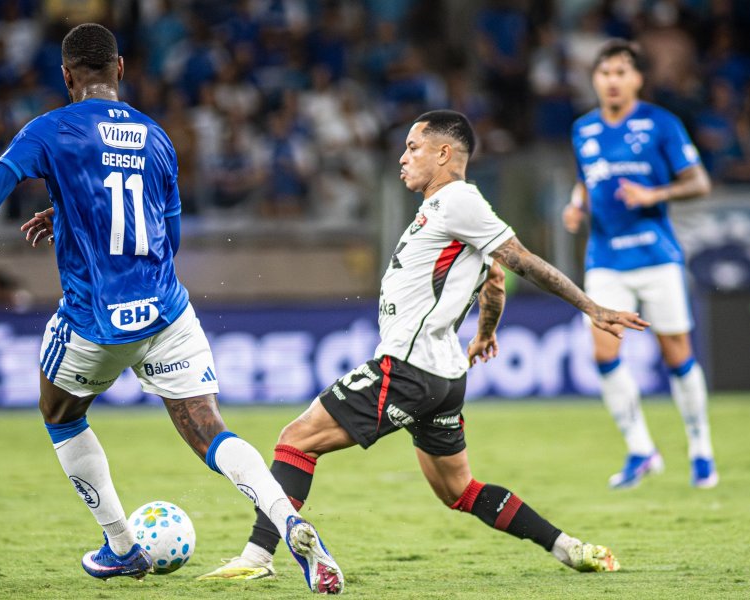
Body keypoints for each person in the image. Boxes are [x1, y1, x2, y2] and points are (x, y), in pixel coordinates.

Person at [0, 23, 343, 594]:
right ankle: (290, 520)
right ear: (121, 69)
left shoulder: (50, 130)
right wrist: (75, 212)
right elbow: (165, 238)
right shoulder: (157, 138)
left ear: (66, 75)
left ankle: (123, 547)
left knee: (61, 414)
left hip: (97, 319)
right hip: (167, 313)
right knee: (209, 428)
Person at [189, 110, 648, 582]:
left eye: (414, 147)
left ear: (445, 154)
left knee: (295, 442)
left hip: (407, 367)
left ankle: (257, 557)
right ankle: (566, 546)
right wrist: (486, 333)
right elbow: (494, 278)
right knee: (459, 491)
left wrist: (590, 308)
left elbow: (520, 261)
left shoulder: (459, 202)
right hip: (443, 377)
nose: (403, 157)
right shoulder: (443, 211)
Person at [562, 39, 718, 490]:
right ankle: (640, 449)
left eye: (621, 72)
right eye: (605, 72)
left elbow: (699, 182)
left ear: (637, 79)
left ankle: (701, 450)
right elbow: (585, 178)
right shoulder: (583, 129)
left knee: (677, 356)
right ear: (594, 78)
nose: (612, 80)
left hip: (656, 256)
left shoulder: (660, 123)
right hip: (606, 259)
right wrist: (577, 204)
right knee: (603, 352)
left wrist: (655, 194)